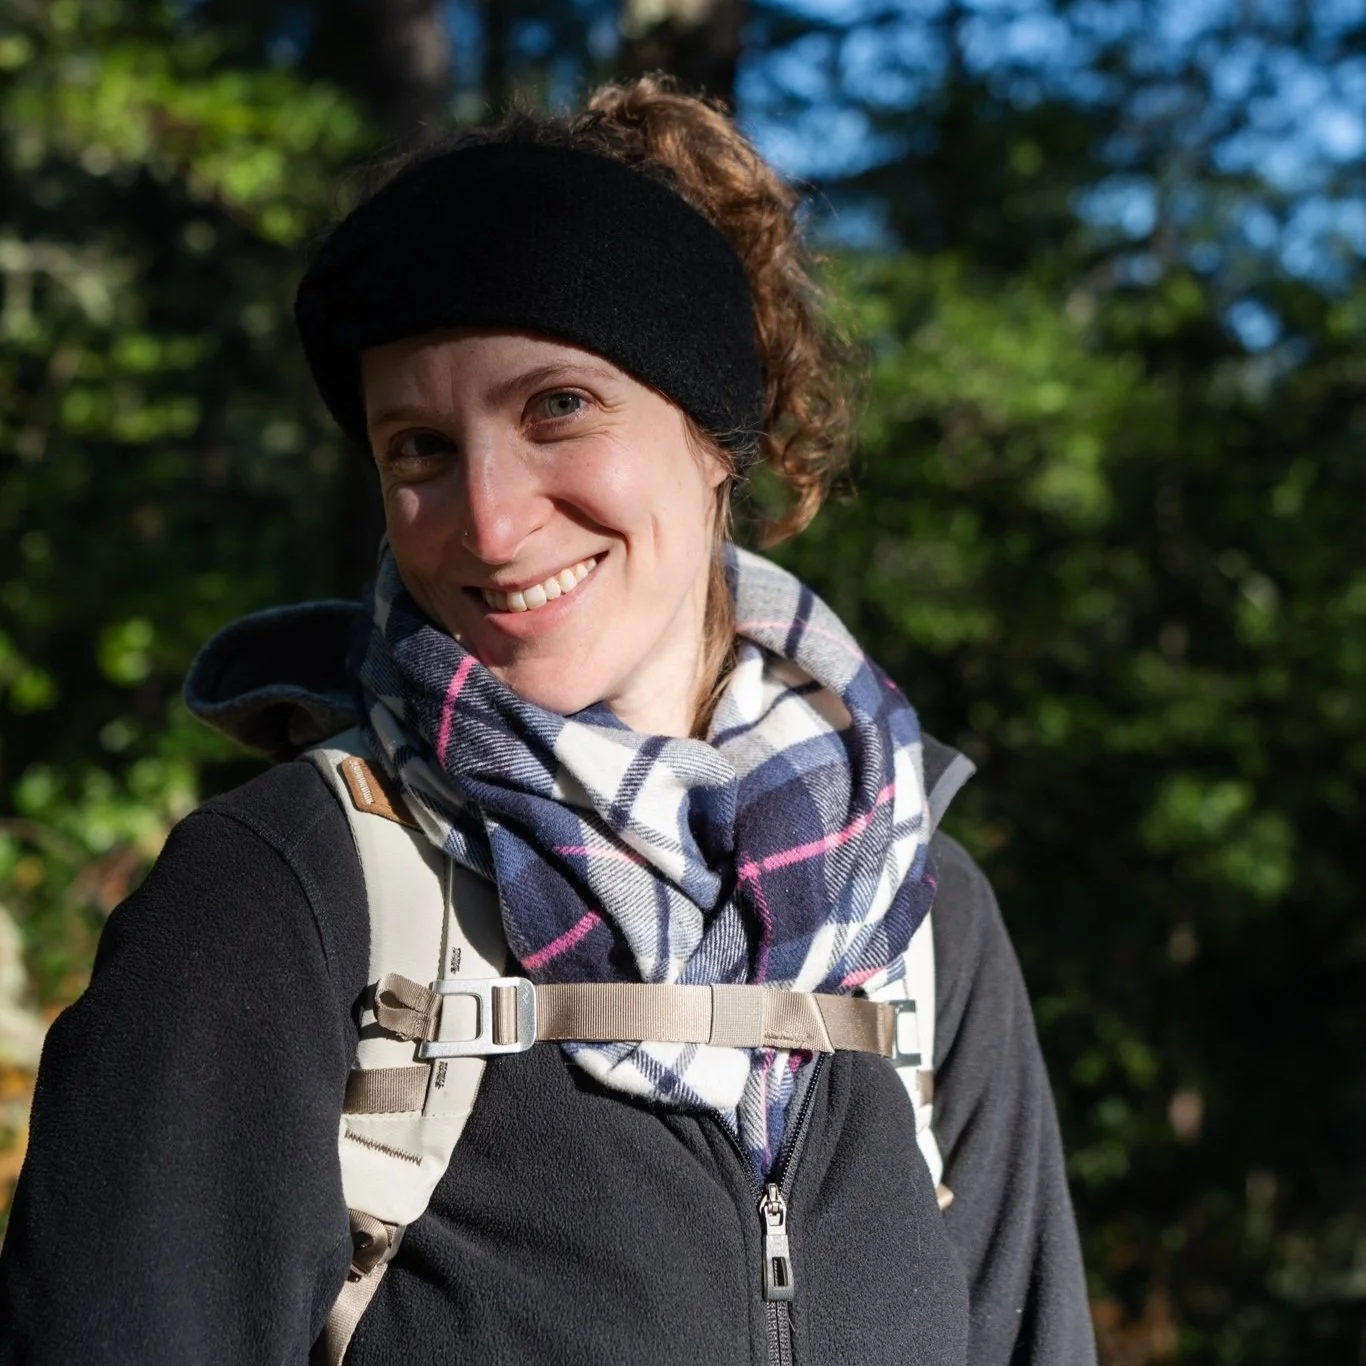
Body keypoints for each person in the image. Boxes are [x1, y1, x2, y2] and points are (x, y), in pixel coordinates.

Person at [0, 78, 1096, 1364]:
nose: (491, 520)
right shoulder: (280, 899)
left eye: (556, 407)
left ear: (715, 434)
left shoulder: (918, 918)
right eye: (418, 446)